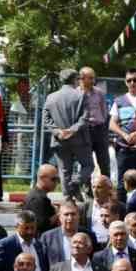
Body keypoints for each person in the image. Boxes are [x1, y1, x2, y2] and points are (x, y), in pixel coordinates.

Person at [44, 69, 92, 199]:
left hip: (59, 140)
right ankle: (75, 183)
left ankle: (67, 198)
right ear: (75, 80)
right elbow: (85, 117)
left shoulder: (51, 97)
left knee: (64, 170)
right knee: (88, 165)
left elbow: (46, 118)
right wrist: (72, 130)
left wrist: (58, 131)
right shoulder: (81, 96)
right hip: (79, 139)